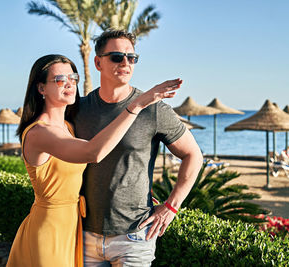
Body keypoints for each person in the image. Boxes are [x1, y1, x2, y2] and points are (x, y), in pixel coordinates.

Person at [6, 54, 182, 267]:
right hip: (50, 230)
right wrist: (136, 105)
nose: (70, 84)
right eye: (60, 79)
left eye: (73, 78)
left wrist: (137, 195)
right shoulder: (39, 133)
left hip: (75, 229)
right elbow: (94, 152)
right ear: (41, 88)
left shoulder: (69, 127)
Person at [71, 29, 203, 266]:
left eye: (131, 58)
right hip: (85, 235)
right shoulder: (80, 109)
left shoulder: (153, 108)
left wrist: (172, 207)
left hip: (133, 236)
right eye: (116, 57)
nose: (125, 62)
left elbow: (193, 155)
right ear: (98, 62)